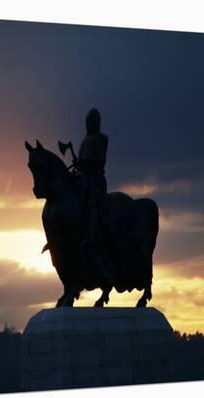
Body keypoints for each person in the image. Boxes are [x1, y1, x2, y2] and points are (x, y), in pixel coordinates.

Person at [76, 108, 113, 284]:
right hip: (84, 177)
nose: (89, 125)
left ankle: (92, 234)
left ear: (97, 123)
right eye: (87, 121)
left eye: (92, 121)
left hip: (95, 180)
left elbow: (99, 160)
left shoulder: (101, 139)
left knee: (93, 205)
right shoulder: (84, 141)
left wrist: (82, 163)